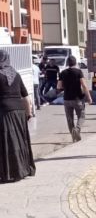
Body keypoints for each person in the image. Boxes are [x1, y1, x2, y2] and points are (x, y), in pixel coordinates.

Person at [0, 49, 36, 182]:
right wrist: (29, 113)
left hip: (5, 112)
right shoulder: (16, 74)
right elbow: (26, 97)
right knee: (20, 141)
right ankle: (23, 169)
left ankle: (9, 173)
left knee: (7, 143)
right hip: (19, 112)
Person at [57, 56, 92, 142]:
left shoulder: (63, 73)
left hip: (66, 99)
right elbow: (84, 85)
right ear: (75, 63)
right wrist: (89, 97)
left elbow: (59, 86)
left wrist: (66, 87)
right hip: (77, 98)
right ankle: (77, 129)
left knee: (69, 119)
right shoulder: (78, 72)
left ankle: (74, 137)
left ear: (67, 63)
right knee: (81, 116)